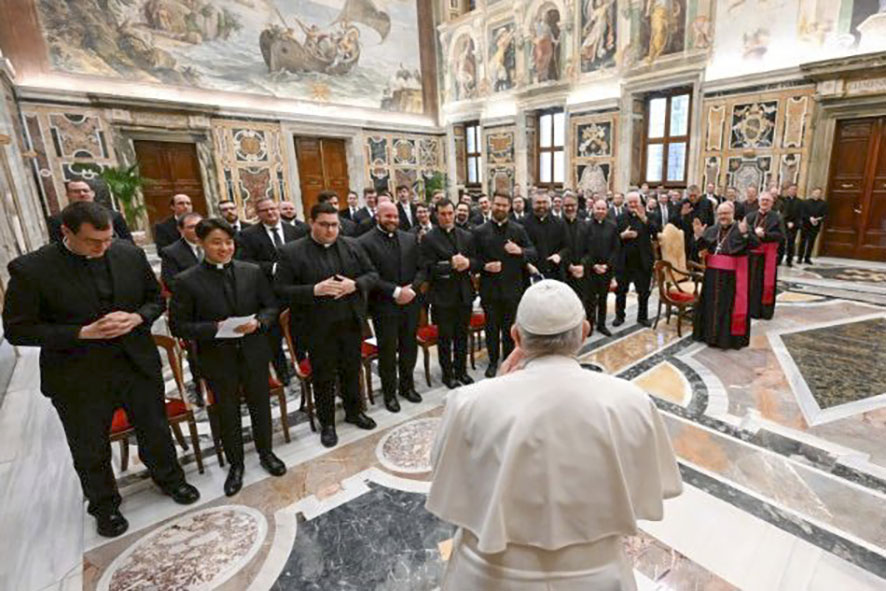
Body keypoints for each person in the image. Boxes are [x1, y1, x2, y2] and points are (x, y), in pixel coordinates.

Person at [427, 279, 682, 591]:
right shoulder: (632, 401)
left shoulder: (467, 402)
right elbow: (651, 484)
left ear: (516, 336)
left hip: (489, 573)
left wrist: (494, 388)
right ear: (585, 331)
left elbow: (447, 473)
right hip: (596, 575)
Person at [3, 201, 199, 538]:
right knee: (89, 444)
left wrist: (137, 317)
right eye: (94, 242)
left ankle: (170, 479)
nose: (104, 247)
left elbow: (156, 300)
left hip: (135, 363)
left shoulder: (128, 254)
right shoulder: (31, 269)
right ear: (67, 233)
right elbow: (18, 330)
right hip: (78, 373)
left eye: (107, 239)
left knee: (154, 428)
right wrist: (80, 332)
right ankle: (104, 505)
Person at [169, 218, 286, 496]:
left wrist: (259, 321)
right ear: (201, 243)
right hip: (216, 357)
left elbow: (271, 306)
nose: (224, 248)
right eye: (216, 242)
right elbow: (178, 326)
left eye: (228, 242)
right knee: (227, 411)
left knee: (260, 404)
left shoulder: (251, 271)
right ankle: (235, 464)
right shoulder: (186, 281)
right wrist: (215, 328)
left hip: (253, 351)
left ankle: (266, 453)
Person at [274, 202, 378, 448]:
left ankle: (354, 412)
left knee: (351, 370)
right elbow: (280, 290)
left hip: (350, 321)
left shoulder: (353, 245)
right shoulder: (291, 252)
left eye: (334, 225)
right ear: (311, 223)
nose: (330, 230)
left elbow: (372, 274)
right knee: (324, 376)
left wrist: (355, 285)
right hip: (316, 326)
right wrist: (314, 290)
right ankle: (328, 423)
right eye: (324, 225)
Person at [358, 202, 425, 412]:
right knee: (387, 351)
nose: (393, 220)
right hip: (384, 306)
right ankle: (389, 394)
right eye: (388, 216)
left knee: (409, 347)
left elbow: (422, 268)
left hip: (410, 303)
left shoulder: (409, 238)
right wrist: (396, 292)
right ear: (377, 216)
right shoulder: (364, 242)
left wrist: (412, 289)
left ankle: (407, 386)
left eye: (395, 216)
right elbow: (370, 276)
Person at [236, 197, 304, 383]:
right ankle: (282, 372)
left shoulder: (296, 231)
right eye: (265, 210)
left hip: (294, 291)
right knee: (274, 336)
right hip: (268, 293)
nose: (271, 213)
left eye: (273, 209)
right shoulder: (247, 235)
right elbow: (245, 262)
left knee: (299, 332)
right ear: (258, 214)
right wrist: (272, 268)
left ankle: (302, 364)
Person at [473, 192, 536, 378]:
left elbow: (534, 252)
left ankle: (509, 359)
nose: (500, 208)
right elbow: (472, 261)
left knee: (510, 329)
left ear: (509, 208)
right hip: (489, 290)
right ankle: (493, 362)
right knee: (491, 329)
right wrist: (485, 266)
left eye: (504, 205)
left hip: (513, 288)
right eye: (497, 204)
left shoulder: (518, 230)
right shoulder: (479, 231)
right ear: (492, 205)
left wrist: (520, 250)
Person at [421, 200, 479, 389]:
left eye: (449, 213)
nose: (447, 217)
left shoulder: (467, 235)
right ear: (436, 215)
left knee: (462, 336)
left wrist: (468, 263)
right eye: (443, 214)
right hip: (442, 297)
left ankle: (461, 370)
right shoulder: (429, 238)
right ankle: (448, 375)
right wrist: (450, 264)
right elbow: (427, 268)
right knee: (445, 338)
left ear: (454, 213)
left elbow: (477, 260)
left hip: (464, 294)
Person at [692, 202, 758, 349]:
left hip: (732, 277)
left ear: (733, 213)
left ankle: (727, 340)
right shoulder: (712, 229)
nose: (723, 216)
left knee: (729, 307)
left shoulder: (741, 228)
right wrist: (698, 236)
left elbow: (755, 245)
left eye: (726, 213)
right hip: (712, 275)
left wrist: (745, 234)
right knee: (711, 305)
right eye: (720, 213)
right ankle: (709, 336)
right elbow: (698, 248)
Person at [614, 192, 656, 327]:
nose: (633, 205)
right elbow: (612, 238)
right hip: (624, 261)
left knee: (643, 291)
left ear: (640, 202)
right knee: (621, 291)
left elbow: (657, 232)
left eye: (635, 202)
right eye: (630, 202)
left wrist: (644, 219)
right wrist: (622, 236)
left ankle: (642, 317)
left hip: (642, 261)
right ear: (626, 203)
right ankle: (619, 316)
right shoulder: (619, 218)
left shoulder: (649, 216)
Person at [47, 179, 132, 243]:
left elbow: (128, 243)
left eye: (85, 190)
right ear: (68, 195)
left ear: (92, 193)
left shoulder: (114, 217)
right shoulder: (57, 221)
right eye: (76, 191)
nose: (82, 194)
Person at [745, 192, 784, 320]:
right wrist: (753, 234)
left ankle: (765, 311)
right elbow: (744, 233)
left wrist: (765, 235)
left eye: (768, 200)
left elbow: (781, 236)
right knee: (750, 284)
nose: (765, 202)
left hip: (768, 257)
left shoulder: (777, 218)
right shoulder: (750, 216)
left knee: (765, 284)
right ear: (758, 202)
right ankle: (751, 310)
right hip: (752, 257)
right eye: (763, 200)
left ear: (772, 203)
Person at [583, 198, 618, 336]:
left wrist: (607, 265)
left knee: (603, 298)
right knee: (590, 299)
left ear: (607, 210)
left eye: (603, 209)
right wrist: (594, 265)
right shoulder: (586, 226)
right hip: (591, 269)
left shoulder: (612, 226)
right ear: (593, 209)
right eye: (598, 208)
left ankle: (602, 325)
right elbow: (584, 249)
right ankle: (589, 325)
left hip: (606, 269)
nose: (601, 211)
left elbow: (615, 249)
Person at [523, 191, 568, 280]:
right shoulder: (522, 223)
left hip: (554, 272)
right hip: (529, 272)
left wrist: (559, 255)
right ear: (532, 204)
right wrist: (527, 264)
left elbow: (567, 246)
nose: (542, 206)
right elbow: (519, 248)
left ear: (549, 204)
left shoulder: (559, 223)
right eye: (538, 203)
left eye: (544, 202)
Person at [561, 192, 589, 323]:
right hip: (563, 272)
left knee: (581, 301)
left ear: (577, 206)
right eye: (566, 205)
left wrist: (582, 265)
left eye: (572, 205)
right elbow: (556, 249)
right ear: (562, 206)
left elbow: (590, 249)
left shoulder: (585, 225)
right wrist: (569, 266)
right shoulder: (557, 225)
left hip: (581, 271)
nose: (569, 208)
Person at [159, 212, 203, 292]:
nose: (197, 230)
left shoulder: (214, 246)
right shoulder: (171, 252)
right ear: (180, 229)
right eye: (191, 227)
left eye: (200, 226)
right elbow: (171, 283)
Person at [798, 187, 827, 265]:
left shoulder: (823, 204)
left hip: (815, 225)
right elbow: (802, 213)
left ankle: (807, 258)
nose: (817, 195)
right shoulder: (805, 202)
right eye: (816, 193)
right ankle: (800, 257)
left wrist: (818, 219)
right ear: (812, 193)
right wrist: (809, 218)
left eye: (819, 193)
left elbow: (825, 215)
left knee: (811, 242)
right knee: (803, 242)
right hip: (805, 225)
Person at [778, 183, 801, 267]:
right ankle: (779, 259)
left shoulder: (799, 202)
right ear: (788, 190)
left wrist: (794, 223)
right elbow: (781, 213)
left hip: (794, 225)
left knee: (791, 243)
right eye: (791, 189)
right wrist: (786, 222)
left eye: (795, 189)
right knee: (781, 242)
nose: (793, 191)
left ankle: (789, 260)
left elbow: (799, 214)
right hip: (783, 225)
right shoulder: (783, 200)